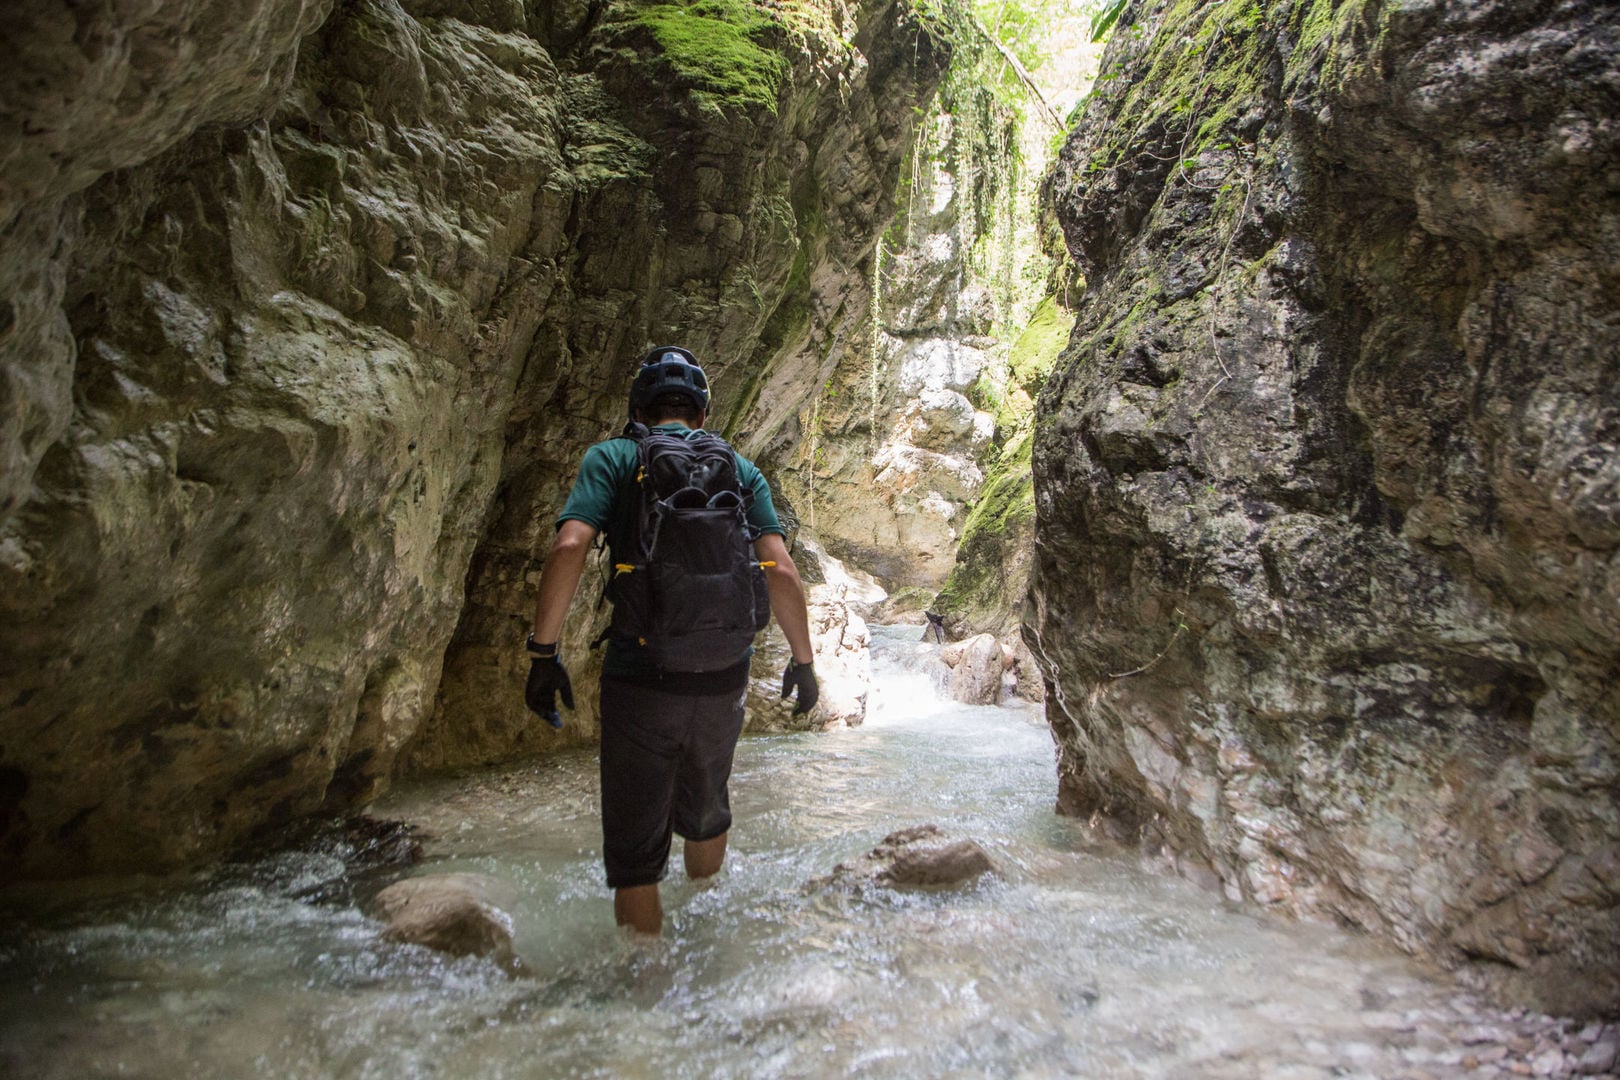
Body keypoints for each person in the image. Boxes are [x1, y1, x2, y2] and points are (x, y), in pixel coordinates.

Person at [523, 346, 818, 935]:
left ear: (638, 409)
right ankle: (706, 933)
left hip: (641, 674)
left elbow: (569, 548)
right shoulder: (739, 468)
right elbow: (781, 572)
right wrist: (805, 664)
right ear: (703, 414)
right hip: (724, 675)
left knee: (636, 854)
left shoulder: (612, 458)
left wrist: (544, 654)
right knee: (707, 811)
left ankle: (647, 995)